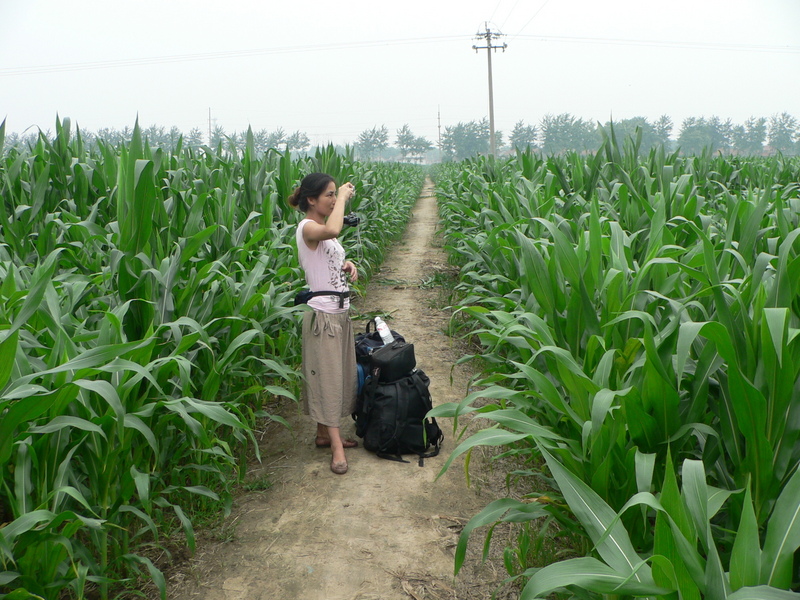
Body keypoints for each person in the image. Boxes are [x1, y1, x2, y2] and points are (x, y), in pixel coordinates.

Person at [288, 173, 359, 475]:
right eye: (328, 195)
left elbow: (328, 253)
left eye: (335, 194)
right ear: (311, 200)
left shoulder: (322, 232)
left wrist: (346, 265)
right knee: (329, 380)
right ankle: (336, 447)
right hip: (324, 318)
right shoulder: (308, 227)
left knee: (337, 376)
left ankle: (322, 433)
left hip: (339, 312)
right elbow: (332, 229)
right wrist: (343, 198)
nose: (333, 199)